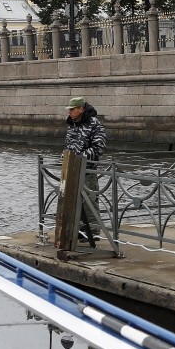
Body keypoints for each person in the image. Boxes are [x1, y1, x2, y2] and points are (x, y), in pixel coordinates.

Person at [63, 96, 106, 247]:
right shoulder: (73, 124)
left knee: (89, 201)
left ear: (81, 109)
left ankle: (93, 232)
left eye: (72, 109)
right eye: (69, 110)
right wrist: (66, 154)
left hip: (87, 169)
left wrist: (79, 157)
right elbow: (69, 144)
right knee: (75, 200)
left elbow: (98, 147)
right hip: (72, 169)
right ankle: (81, 229)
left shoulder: (94, 124)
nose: (70, 112)